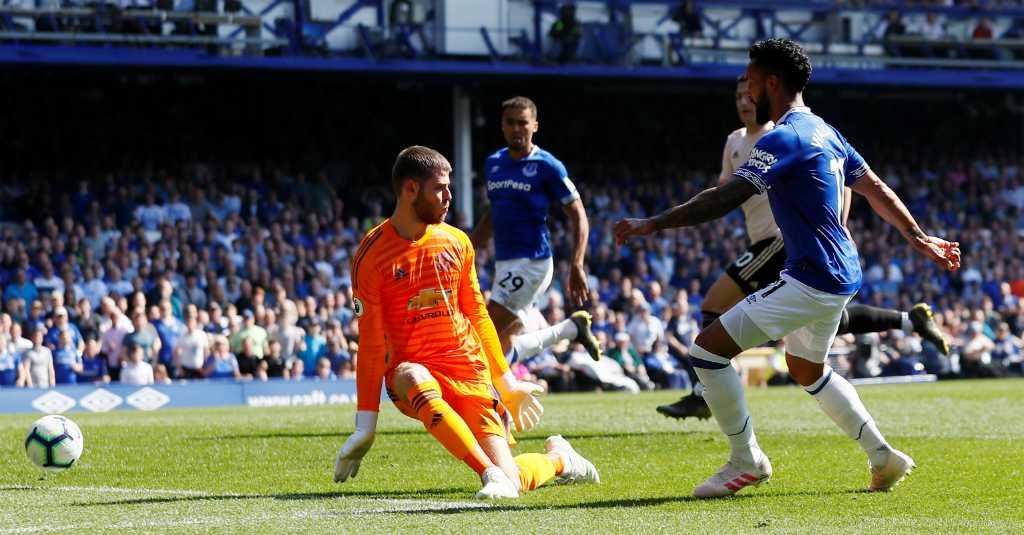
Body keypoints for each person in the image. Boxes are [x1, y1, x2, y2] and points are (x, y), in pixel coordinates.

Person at [614, 38, 960, 497]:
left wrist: (654, 223)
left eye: (752, 82)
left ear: (772, 83)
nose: (747, 91)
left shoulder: (784, 137)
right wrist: (918, 237)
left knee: (706, 352)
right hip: (841, 272)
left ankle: (747, 460)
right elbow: (875, 188)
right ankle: (882, 456)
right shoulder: (825, 131)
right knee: (805, 367)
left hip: (812, 278)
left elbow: (727, 197)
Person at [656, 74, 951, 422]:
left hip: (779, 240)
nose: (744, 102)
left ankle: (703, 392)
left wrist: (839, 223)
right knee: (818, 320)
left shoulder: (783, 135)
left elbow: (843, 178)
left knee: (714, 303)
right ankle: (909, 320)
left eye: (749, 95)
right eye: (738, 97)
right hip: (763, 242)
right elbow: (725, 190)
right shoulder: (734, 141)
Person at [334, 146, 599, 499]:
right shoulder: (371, 255)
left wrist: (506, 383)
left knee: (514, 481)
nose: (449, 197)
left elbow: (477, 315)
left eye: (450, 188)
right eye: (440, 188)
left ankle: (560, 459)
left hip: (467, 371)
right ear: (410, 189)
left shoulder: (457, 242)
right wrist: (365, 425)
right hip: (411, 372)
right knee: (412, 375)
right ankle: (489, 474)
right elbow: (370, 344)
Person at [469, 96, 602, 368]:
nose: (516, 129)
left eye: (523, 123)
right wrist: (467, 250)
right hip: (504, 264)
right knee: (499, 350)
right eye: (510, 123)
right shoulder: (493, 164)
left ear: (535, 126)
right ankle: (570, 329)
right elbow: (494, 213)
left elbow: (578, 215)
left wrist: (577, 264)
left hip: (532, 263)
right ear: (502, 126)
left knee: (482, 336)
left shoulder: (547, 166)